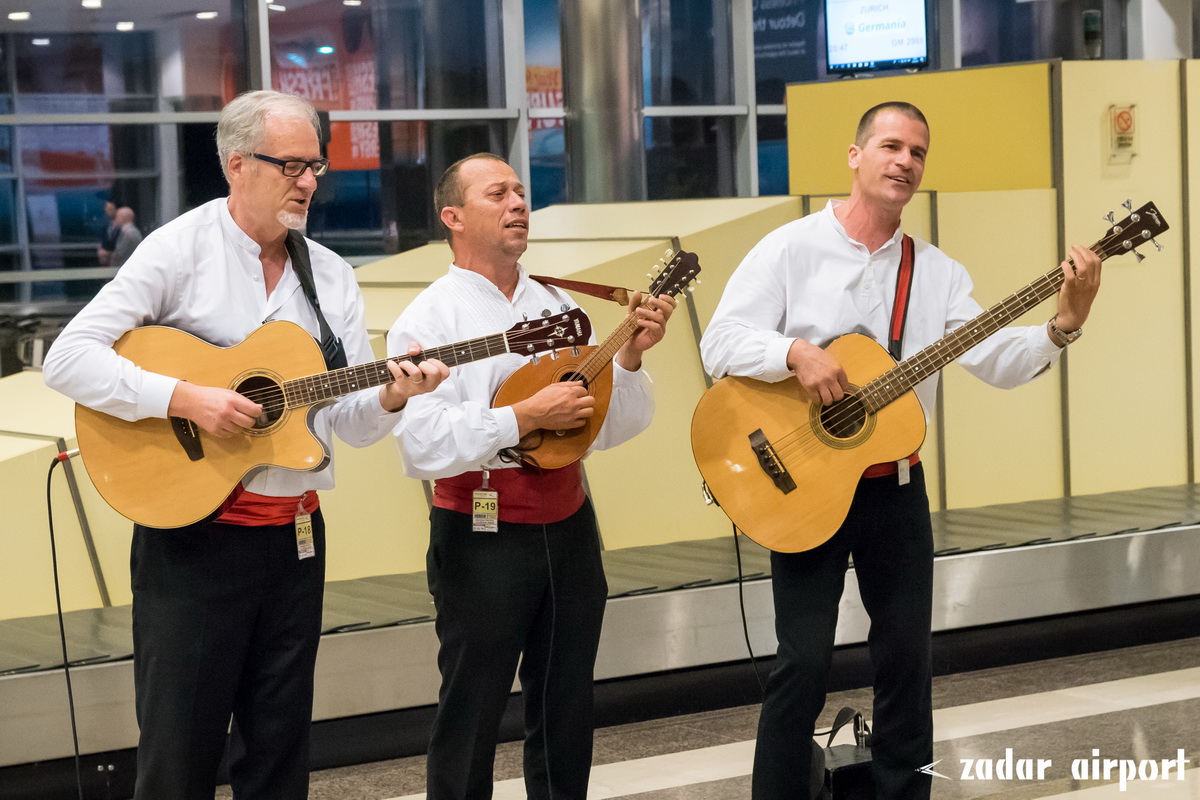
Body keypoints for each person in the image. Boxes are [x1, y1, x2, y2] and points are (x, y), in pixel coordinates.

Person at [43, 90, 448, 800]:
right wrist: (185, 398)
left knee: (280, 747)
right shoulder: (177, 250)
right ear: (237, 164)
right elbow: (68, 358)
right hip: (194, 544)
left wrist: (391, 394)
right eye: (291, 164)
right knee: (180, 753)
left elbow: (345, 424)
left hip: (294, 544)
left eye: (316, 166)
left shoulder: (330, 276)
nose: (309, 182)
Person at [699, 101, 1102, 800]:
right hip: (802, 487)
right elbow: (719, 343)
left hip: (896, 489)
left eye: (917, 153)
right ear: (855, 156)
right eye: (890, 146)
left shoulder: (936, 271)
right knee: (801, 662)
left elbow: (996, 358)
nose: (904, 162)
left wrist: (1064, 324)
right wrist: (794, 352)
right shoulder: (789, 250)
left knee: (907, 660)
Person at [386, 153, 675, 800]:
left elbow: (614, 425)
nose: (519, 202)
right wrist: (521, 417)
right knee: (473, 708)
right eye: (499, 193)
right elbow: (422, 446)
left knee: (567, 704)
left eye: (521, 191)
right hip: (479, 533)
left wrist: (626, 358)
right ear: (452, 217)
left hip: (571, 525)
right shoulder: (427, 319)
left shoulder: (561, 305)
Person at [97, 199, 119, 265]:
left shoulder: (121, 227)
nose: (106, 211)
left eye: (109, 209)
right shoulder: (106, 226)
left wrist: (108, 253)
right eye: (106, 208)